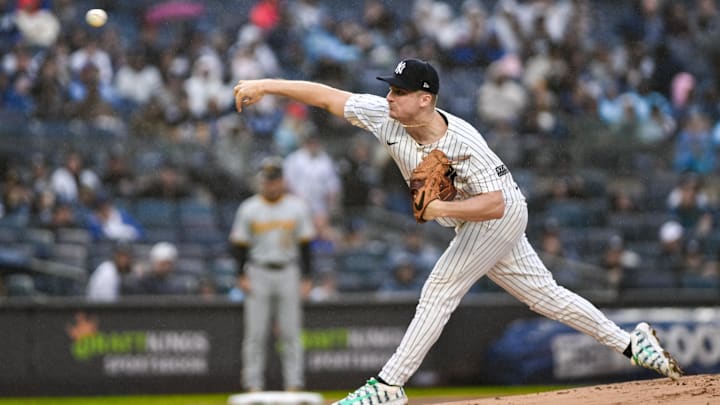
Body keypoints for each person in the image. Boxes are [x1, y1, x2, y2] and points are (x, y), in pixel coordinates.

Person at [233, 57, 683, 405]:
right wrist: (266, 85)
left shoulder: (462, 141)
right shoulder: (386, 117)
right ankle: (631, 343)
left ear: (425, 99)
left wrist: (441, 206)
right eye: (390, 88)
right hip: (479, 216)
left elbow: (496, 203)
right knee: (546, 296)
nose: (390, 96)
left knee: (440, 288)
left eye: (400, 91)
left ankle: (388, 385)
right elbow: (326, 96)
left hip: (499, 215)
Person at [229, 156, 315, 392]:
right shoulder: (249, 208)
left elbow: (306, 245)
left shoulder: (296, 207)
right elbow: (238, 246)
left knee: (291, 332)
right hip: (258, 271)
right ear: (261, 182)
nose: (271, 185)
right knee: (255, 334)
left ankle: (294, 384)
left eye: (275, 180)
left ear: (282, 181)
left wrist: (307, 277)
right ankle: (252, 385)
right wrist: (241, 275)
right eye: (267, 180)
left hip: (288, 270)